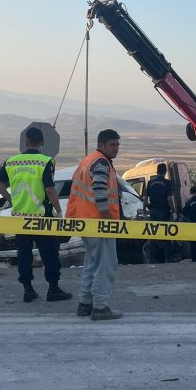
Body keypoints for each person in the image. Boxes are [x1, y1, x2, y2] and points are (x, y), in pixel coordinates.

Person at [0, 127, 71, 303]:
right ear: (42, 143)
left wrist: (11, 200)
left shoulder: (12, 162)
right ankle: (53, 289)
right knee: (50, 253)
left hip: (21, 218)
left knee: (24, 254)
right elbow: (50, 190)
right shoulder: (46, 161)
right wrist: (59, 212)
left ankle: (27, 290)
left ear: (26, 142)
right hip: (42, 217)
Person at [67, 129, 123, 320]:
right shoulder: (101, 163)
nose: (116, 148)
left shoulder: (88, 160)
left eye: (117, 144)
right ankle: (100, 307)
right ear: (101, 145)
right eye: (112, 144)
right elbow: (100, 195)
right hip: (99, 223)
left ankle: (85, 304)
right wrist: (109, 220)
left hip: (86, 221)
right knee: (106, 265)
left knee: (92, 263)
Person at [145, 162, 178, 263]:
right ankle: (168, 258)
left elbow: (145, 199)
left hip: (153, 212)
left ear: (157, 171)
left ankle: (151, 258)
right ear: (165, 172)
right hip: (164, 212)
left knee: (152, 235)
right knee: (167, 235)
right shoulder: (167, 183)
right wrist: (174, 210)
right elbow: (169, 199)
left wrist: (148, 209)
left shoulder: (151, 182)